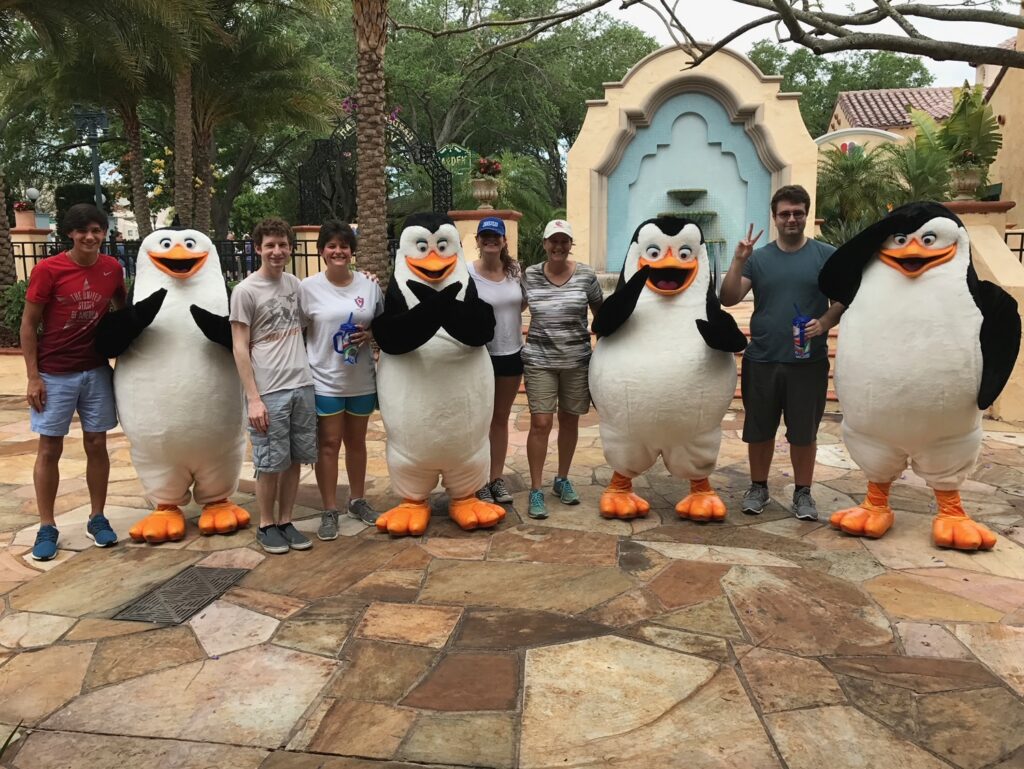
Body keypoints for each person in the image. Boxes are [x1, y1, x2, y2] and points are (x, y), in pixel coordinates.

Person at [719, 185, 845, 521]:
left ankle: (803, 493)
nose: (792, 219)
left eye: (798, 213)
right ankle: (758, 487)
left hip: (808, 362)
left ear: (806, 214)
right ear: (774, 218)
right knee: (759, 430)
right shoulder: (759, 259)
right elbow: (728, 298)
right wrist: (738, 260)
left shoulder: (826, 255)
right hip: (762, 359)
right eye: (785, 213)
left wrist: (826, 321)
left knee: (804, 432)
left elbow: (844, 297)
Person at [21, 203, 126, 560]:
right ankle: (46, 525)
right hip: (55, 373)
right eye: (83, 231)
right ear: (70, 233)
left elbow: (122, 313)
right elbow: (28, 324)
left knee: (97, 444)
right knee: (50, 449)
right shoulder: (48, 270)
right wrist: (33, 377)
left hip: (95, 370)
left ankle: (97, 517)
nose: (91, 237)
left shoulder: (112, 268)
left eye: (97, 230)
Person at [230, 217, 317, 554]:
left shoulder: (295, 285)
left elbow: (310, 323)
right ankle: (266, 523)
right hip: (269, 391)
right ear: (257, 249)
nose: (277, 251)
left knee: (296, 458)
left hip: (302, 385)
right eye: (270, 245)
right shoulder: (245, 291)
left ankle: (285, 519)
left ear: (290, 248)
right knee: (269, 462)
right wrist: (254, 398)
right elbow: (240, 346)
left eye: (283, 245)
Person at [299, 220, 384, 540]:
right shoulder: (307, 288)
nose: (338, 251)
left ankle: (357, 500)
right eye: (331, 246)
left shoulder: (369, 285)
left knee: (357, 443)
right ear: (321, 251)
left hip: (361, 378)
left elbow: (380, 323)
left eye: (344, 246)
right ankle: (329, 509)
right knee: (329, 444)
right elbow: (298, 331)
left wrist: (371, 333)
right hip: (324, 379)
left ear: (352, 251)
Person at [521, 219, 603, 519]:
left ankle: (562, 480)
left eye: (563, 241)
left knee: (570, 421)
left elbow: (601, 316)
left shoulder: (585, 276)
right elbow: (510, 307)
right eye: (553, 241)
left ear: (570, 245)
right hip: (539, 361)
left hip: (576, 362)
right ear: (544, 244)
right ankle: (535, 489)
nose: (558, 247)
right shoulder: (529, 275)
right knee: (540, 423)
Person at [467, 217, 526, 506]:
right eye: (485, 236)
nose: (491, 241)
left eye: (496, 236)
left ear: (504, 241)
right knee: (478, 420)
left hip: (511, 354)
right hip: (479, 356)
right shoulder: (466, 273)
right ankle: (476, 480)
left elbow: (520, 303)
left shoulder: (515, 273)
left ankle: (496, 479)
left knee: (499, 418)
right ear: (478, 240)